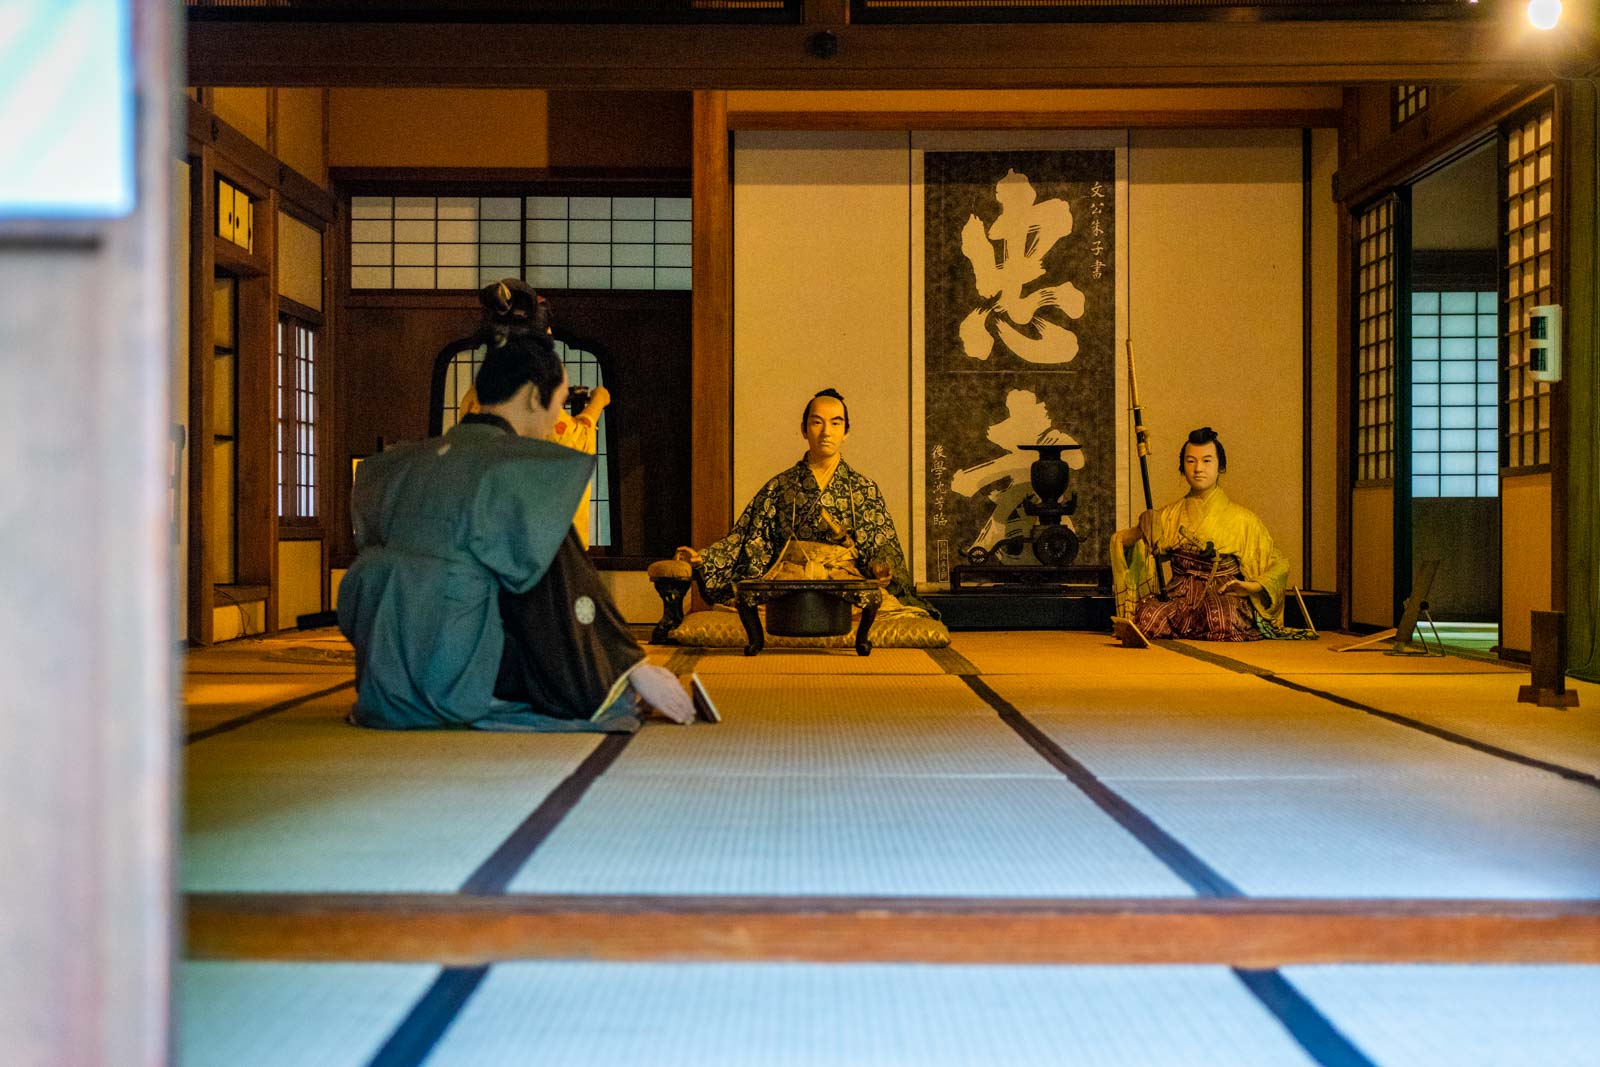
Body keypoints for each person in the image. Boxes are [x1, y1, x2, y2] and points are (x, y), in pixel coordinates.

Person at [339, 331, 693, 732]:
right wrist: (631, 666)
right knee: (546, 553)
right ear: (532, 396)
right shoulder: (517, 466)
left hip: (385, 678)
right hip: (456, 672)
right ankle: (611, 680)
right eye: (559, 404)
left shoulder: (400, 463)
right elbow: (563, 586)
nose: (555, 422)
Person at [679, 388, 933, 616]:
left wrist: (881, 566)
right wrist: (705, 559)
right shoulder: (779, 486)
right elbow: (748, 538)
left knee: (892, 612)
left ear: (846, 432)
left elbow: (882, 544)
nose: (826, 432)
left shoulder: (864, 489)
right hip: (790, 582)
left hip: (845, 584)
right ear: (804, 429)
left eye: (835, 423)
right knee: (754, 608)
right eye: (817, 422)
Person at [1110, 426, 1305, 642]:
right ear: (1182, 467)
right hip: (1180, 593)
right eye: (1191, 461)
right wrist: (1140, 529)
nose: (1198, 469)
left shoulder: (1243, 519)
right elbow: (1123, 543)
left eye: (1207, 461)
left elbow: (1278, 564)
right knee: (1147, 617)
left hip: (1222, 592)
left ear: (1220, 466)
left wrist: (1251, 586)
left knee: (1221, 618)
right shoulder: (1169, 514)